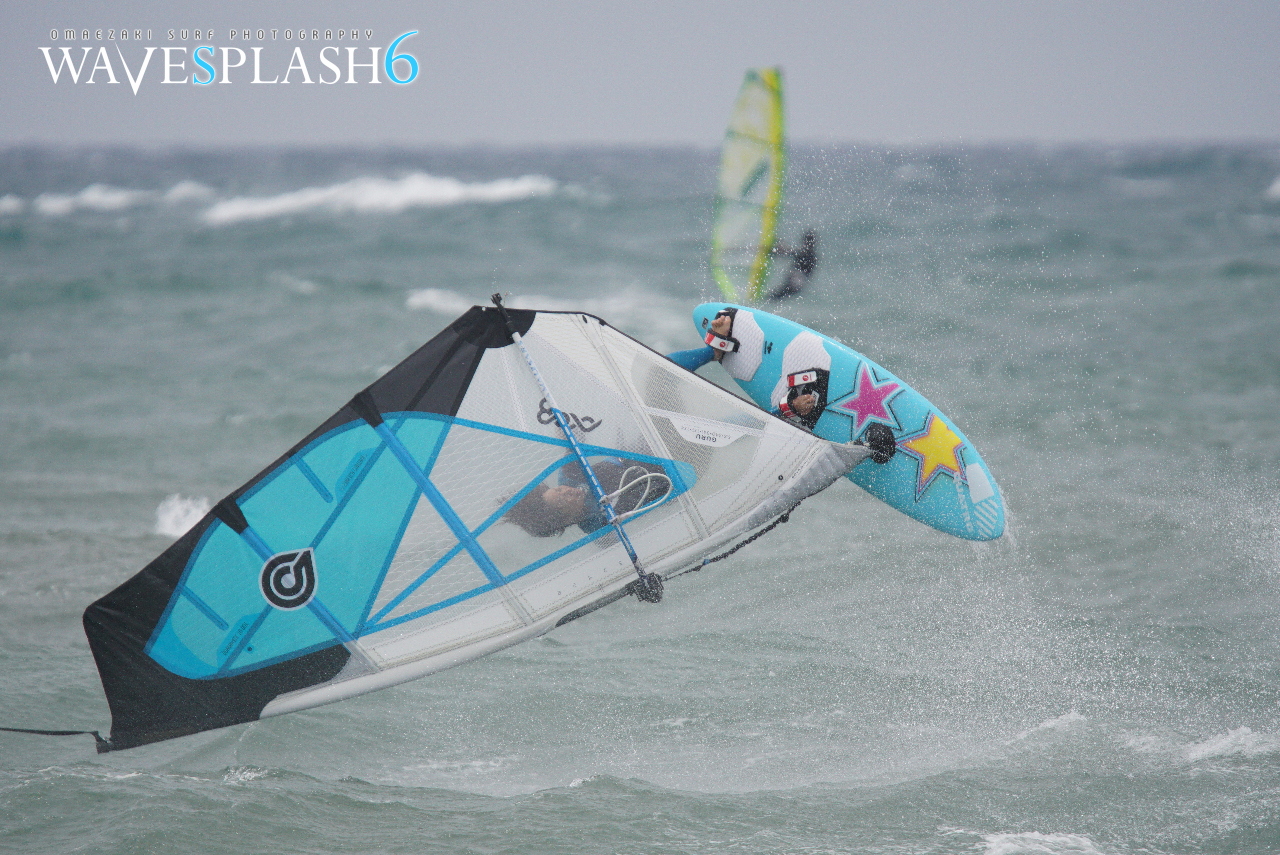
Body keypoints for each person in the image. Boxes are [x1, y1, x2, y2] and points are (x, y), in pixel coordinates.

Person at [504, 456, 672, 538]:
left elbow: (571, 442)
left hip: (645, 455)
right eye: (562, 500)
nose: (567, 491)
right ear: (566, 519)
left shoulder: (569, 474)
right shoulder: (595, 526)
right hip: (667, 485)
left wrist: (561, 426)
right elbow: (619, 550)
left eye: (558, 490)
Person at [768, 229, 818, 300]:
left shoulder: (808, 254)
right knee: (775, 296)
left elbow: (791, 253)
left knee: (775, 296)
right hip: (796, 284)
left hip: (795, 284)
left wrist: (777, 249)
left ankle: (763, 299)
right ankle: (765, 299)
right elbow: (792, 253)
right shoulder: (811, 254)